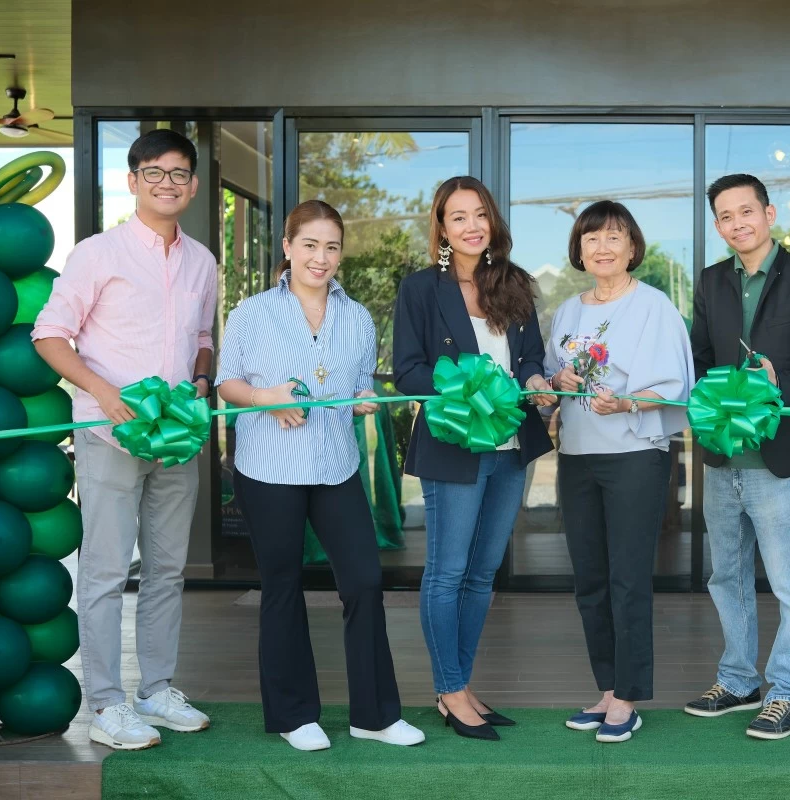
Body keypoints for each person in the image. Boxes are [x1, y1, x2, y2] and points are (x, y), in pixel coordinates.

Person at [215, 200, 423, 751]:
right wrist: (265, 398)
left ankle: (373, 715)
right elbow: (226, 383)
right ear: (287, 247)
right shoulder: (252, 312)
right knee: (282, 586)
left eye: (332, 246)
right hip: (269, 469)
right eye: (310, 244)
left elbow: (356, 385)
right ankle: (293, 715)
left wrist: (363, 401)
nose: (321, 257)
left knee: (364, 582)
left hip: (335, 467)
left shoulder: (357, 317)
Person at [32, 130, 215, 750]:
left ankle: (156, 689)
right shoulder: (97, 253)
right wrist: (105, 395)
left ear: (192, 185)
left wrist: (197, 381)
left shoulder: (203, 261)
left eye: (180, 173)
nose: (168, 182)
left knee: (166, 570)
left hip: (175, 443)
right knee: (107, 572)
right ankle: (108, 703)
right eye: (155, 172)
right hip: (108, 438)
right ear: (134, 180)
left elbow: (203, 340)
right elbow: (51, 335)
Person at [393, 176, 553, 741]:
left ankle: (459, 684)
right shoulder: (420, 289)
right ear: (441, 227)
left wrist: (534, 380)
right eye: (457, 217)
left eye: (479, 214)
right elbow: (408, 369)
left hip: (511, 447)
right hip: (453, 447)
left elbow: (531, 356)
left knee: (482, 576)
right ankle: (450, 689)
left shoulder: (515, 284)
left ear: (493, 222)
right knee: (447, 573)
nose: (471, 226)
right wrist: (468, 388)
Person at [684, 174, 790, 739]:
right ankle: (737, 679)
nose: (737, 224)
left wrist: (779, 386)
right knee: (726, 577)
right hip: (721, 458)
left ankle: (789, 691)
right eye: (725, 217)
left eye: (746, 212)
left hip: (777, 463)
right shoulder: (709, 282)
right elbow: (701, 358)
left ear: (769, 214)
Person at [547, 200, 693, 744]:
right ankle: (606, 688)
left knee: (628, 579)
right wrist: (554, 381)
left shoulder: (653, 306)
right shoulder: (566, 311)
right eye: (591, 240)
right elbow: (550, 378)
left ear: (633, 247)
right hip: (578, 456)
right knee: (590, 579)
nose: (602, 248)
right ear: (578, 250)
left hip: (634, 455)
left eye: (614, 238)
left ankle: (628, 697)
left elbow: (675, 383)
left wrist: (628, 403)